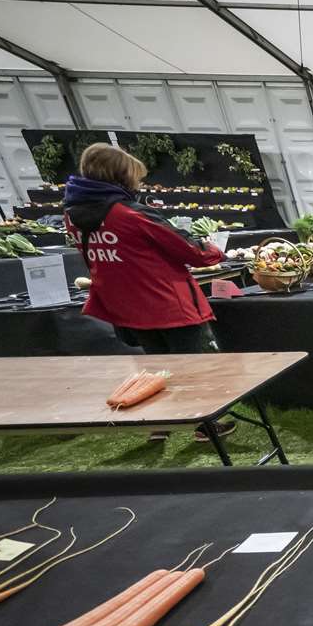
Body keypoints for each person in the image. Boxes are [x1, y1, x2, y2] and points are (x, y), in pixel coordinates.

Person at [62, 143, 231, 440]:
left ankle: (160, 423)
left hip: (129, 307)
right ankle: (206, 426)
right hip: (169, 304)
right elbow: (191, 250)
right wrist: (216, 251)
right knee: (197, 367)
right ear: (120, 177)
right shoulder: (130, 214)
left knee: (154, 367)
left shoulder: (73, 217)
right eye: (134, 177)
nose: (138, 183)